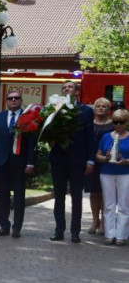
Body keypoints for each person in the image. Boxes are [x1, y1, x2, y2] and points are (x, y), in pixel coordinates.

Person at [49, 81, 95, 243]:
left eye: (69, 87)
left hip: (78, 160)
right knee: (59, 196)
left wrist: (90, 160)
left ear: (77, 92)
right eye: (63, 87)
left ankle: (75, 231)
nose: (65, 89)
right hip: (58, 159)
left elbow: (89, 136)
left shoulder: (86, 111)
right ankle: (59, 230)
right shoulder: (54, 109)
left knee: (76, 196)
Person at [0, 92, 36, 238]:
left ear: (21, 101)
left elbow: (31, 142)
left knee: (19, 196)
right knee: (2, 196)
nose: (13, 100)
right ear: (6, 101)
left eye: (16, 98)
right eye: (10, 98)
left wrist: (30, 162)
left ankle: (17, 228)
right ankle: (4, 226)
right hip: (1, 162)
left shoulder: (27, 118)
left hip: (20, 163)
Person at [95, 109, 129, 245]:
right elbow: (97, 155)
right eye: (115, 122)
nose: (118, 125)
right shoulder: (106, 136)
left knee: (124, 205)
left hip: (125, 173)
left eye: (121, 122)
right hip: (107, 172)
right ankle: (109, 234)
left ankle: (121, 235)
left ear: (126, 123)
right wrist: (105, 158)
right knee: (108, 205)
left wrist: (126, 161)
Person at [87, 98, 114, 235]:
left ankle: (104, 221)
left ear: (109, 109)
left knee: (105, 192)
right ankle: (94, 220)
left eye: (104, 106)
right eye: (98, 106)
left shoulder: (113, 125)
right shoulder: (89, 124)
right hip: (91, 162)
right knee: (94, 192)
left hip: (107, 162)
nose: (101, 108)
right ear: (95, 108)